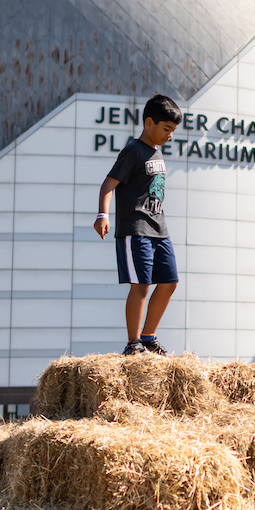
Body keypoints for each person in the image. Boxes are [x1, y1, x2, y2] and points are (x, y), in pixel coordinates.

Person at [94, 94, 183, 356]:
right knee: (141, 285)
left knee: (169, 282)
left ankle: (148, 337)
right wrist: (103, 215)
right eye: (166, 129)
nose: (170, 135)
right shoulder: (133, 151)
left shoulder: (156, 151)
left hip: (159, 229)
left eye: (173, 130)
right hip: (135, 229)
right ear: (148, 123)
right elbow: (109, 184)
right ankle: (133, 343)